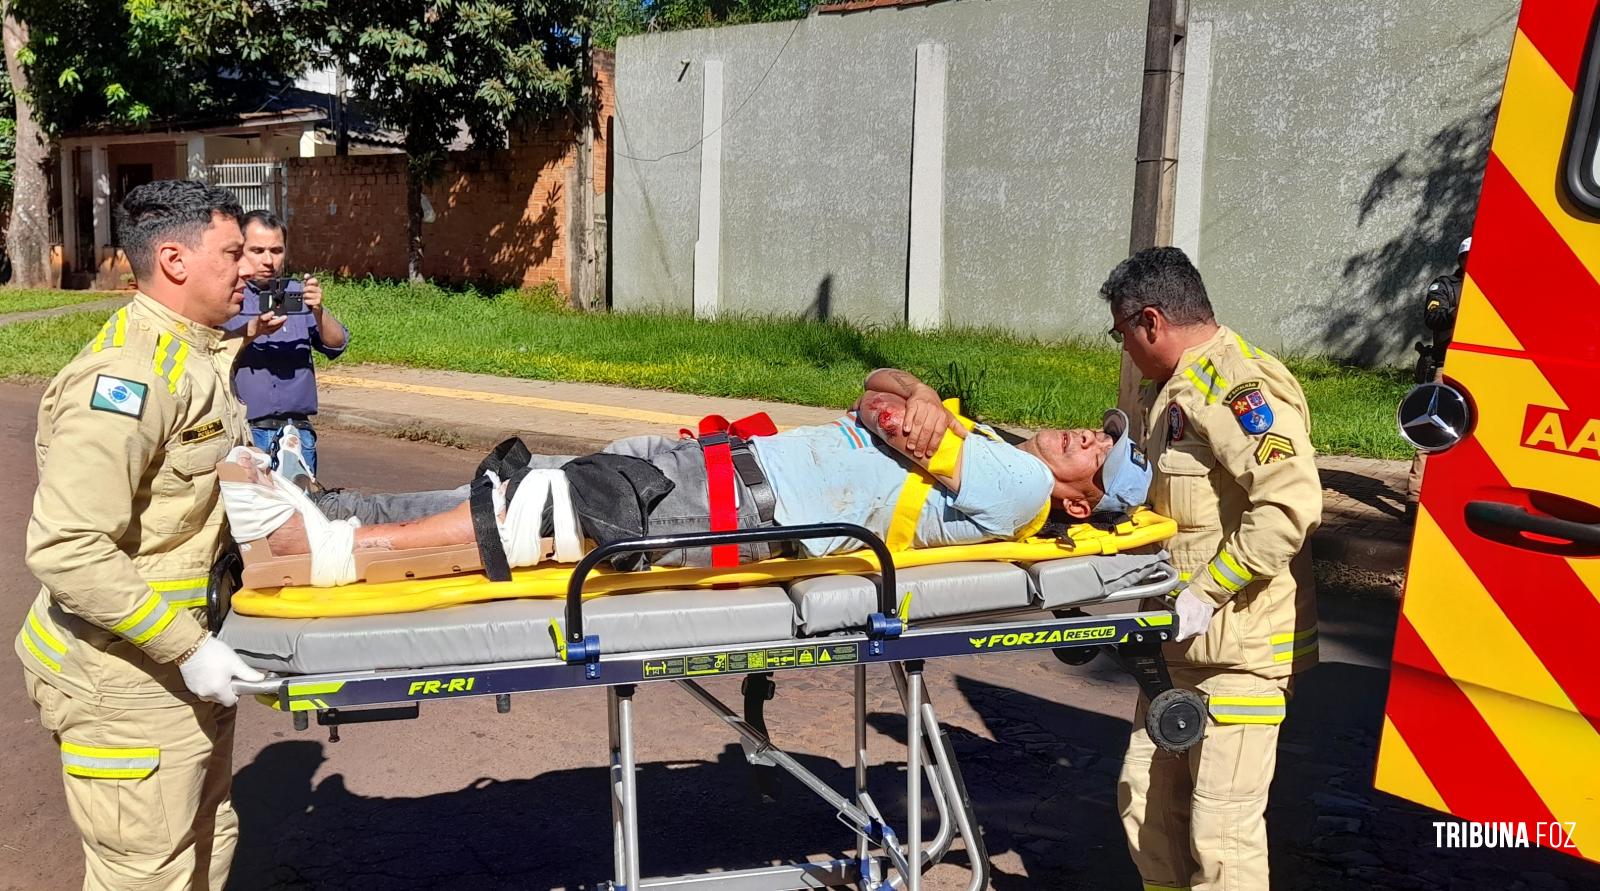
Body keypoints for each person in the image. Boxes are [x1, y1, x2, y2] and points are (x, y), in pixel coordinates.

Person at [227, 367, 1154, 579]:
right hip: (714, 467)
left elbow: (909, 435)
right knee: (520, 488)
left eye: (1099, 456)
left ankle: (333, 545)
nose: (1088, 435)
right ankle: (326, 507)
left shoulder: (1023, 489)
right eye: (1098, 432)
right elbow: (882, 390)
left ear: (1081, 499)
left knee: (542, 507)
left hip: (733, 504)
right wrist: (911, 391)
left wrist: (918, 414)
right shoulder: (993, 440)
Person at [16, 180, 283, 890]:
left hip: (180, 664)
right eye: (232, 253)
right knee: (147, 873)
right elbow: (67, 547)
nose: (249, 268)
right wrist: (189, 647)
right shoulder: (127, 376)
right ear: (174, 259)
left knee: (207, 840)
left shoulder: (194, 354)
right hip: (124, 676)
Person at [1103, 247, 1322, 891]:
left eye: (1122, 334)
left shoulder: (1237, 387)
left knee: (1221, 836)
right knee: (1146, 808)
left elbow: (1290, 502)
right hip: (1179, 648)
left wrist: (1204, 593)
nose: (1125, 349)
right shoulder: (1172, 390)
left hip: (1239, 652)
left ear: (1150, 321)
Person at [222, 209, 349, 474]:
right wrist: (252, 332)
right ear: (240, 249)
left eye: (276, 251)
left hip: (297, 432)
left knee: (302, 508)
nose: (268, 260)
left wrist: (318, 310)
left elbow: (337, 344)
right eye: (257, 251)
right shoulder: (227, 296)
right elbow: (211, 351)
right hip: (248, 433)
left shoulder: (297, 294)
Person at [1406, 236, 1469, 518]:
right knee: (1430, 430)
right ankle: (1414, 500)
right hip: (1448, 364)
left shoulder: (1496, 286)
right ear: (1461, 259)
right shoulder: (1445, 286)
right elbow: (1433, 318)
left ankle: (1455, 498)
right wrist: (1467, 305)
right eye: (1469, 257)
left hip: (1483, 368)